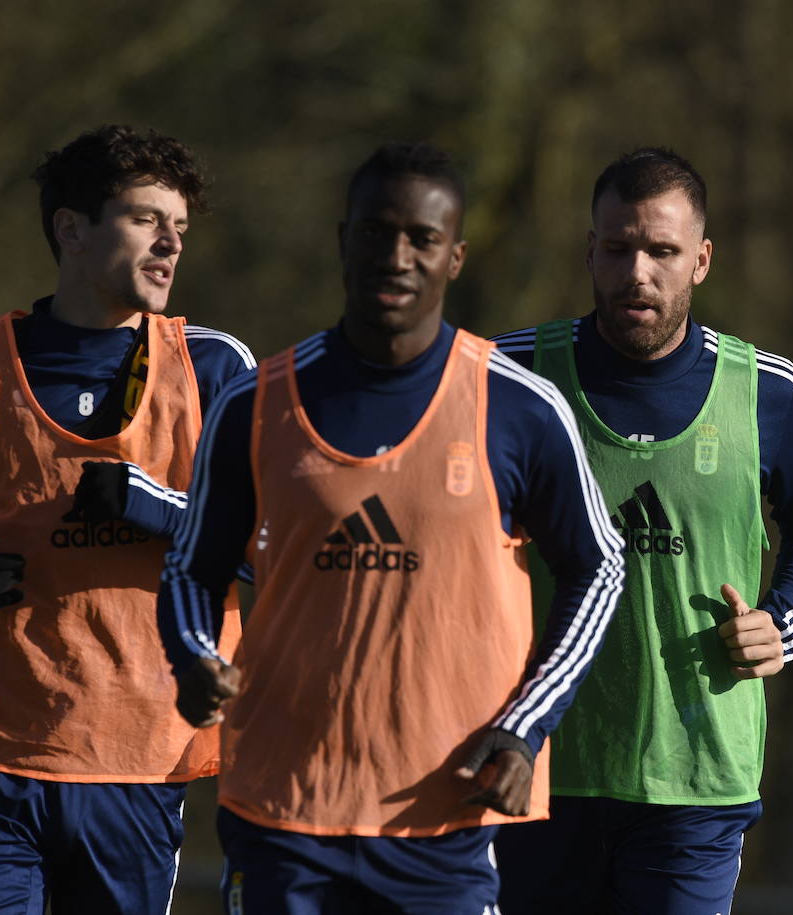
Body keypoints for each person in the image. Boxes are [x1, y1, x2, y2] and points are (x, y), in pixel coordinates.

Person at [156, 141, 625, 913]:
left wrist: (525, 726)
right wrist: (194, 655)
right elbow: (189, 567)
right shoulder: (254, 403)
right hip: (283, 810)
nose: (396, 255)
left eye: (422, 238)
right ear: (344, 239)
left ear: (456, 257)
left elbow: (601, 567)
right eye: (377, 232)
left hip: (440, 817)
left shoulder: (519, 408)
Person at [491, 147, 793, 915]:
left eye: (662, 251)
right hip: (540, 761)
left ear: (702, 260)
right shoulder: (511, 376)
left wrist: (779, 621)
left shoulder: (766, 390)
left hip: (697, 770)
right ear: (590, 250)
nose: (638, 272)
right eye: (618, 249)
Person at [0, 124, 253, 914]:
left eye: (181, 229)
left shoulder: (213, 366)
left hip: (140, 762)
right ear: (71, 228)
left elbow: (280, 551)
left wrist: (154, 505)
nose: (170, 245)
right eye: (144, 220)